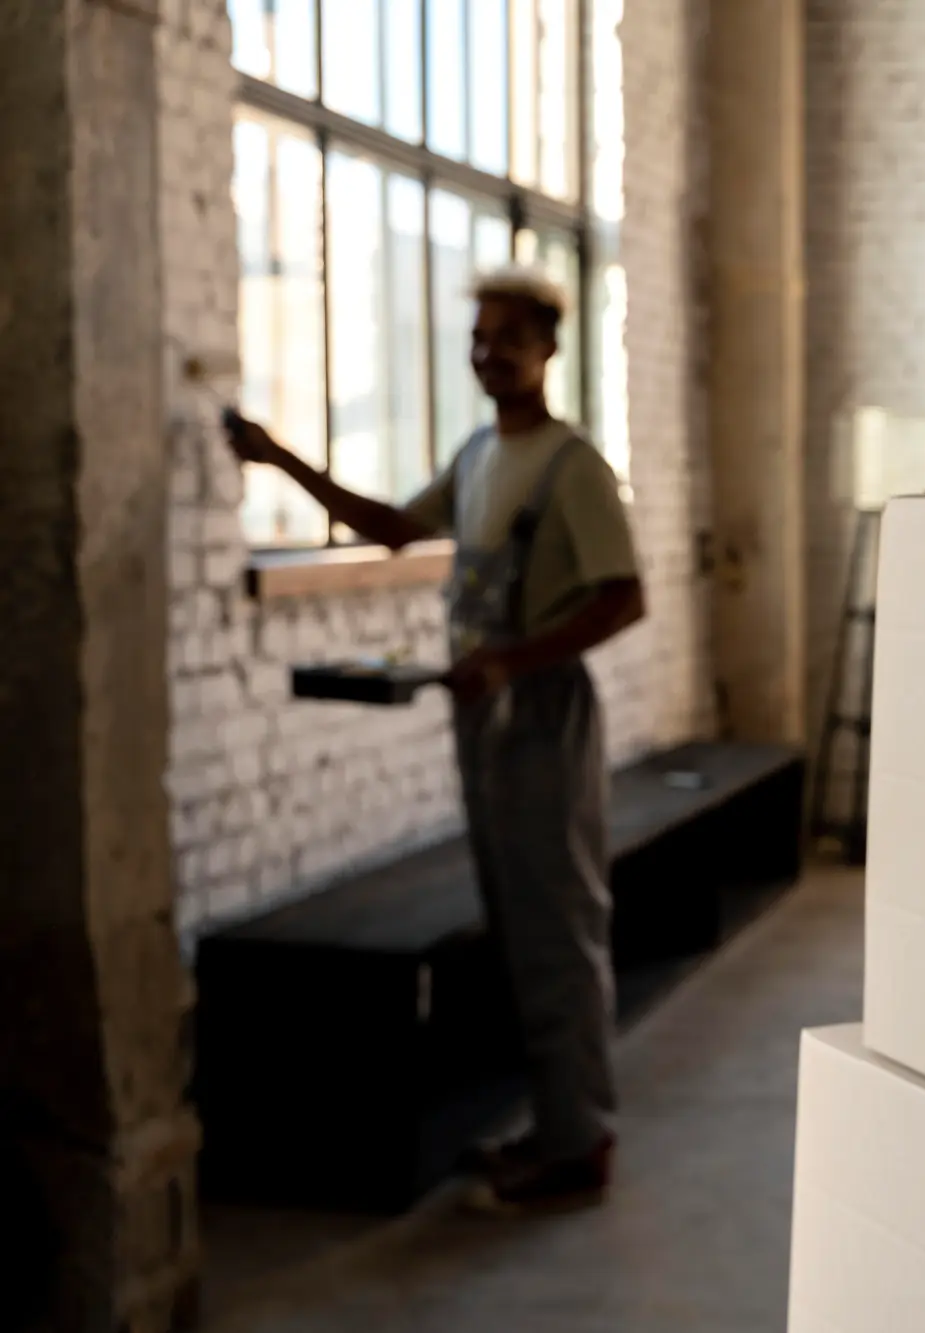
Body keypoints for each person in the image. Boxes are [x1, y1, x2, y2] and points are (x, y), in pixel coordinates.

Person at [225, 268, 644, 1210]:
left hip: (541, 715)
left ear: (548, 349)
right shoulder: (479, 456)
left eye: (508, 336)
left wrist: (511, 661)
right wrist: (279, 458)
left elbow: (627, 598)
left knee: (558, 928)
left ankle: (581, 1146)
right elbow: (392, 529)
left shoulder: (573, 467)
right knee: (518, 926)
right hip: (485, 719)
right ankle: (558, 1122)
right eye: (479, 336)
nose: (488, 351)